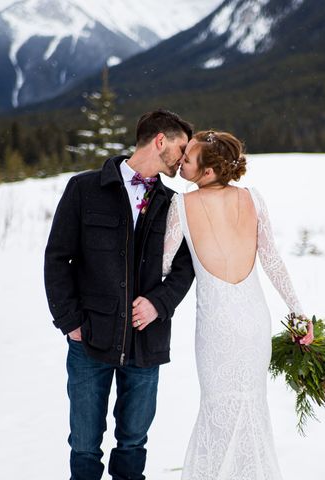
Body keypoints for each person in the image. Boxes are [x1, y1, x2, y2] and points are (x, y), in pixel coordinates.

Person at [44, 109, 195, 480]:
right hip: (89, 339)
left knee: (133, 443)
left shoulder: (175, 204)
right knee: (83, 445)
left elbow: (185, 267)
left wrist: (159, 303)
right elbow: (57, 259)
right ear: (160, 141)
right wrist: (70, 322)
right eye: (180, 148)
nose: (183, 158)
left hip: (147, 343)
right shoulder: (84, 189)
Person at [157, 130, 313, 480]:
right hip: (254, 323)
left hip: (217, 328)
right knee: (253, 409)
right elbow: (272, 260)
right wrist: (298, 311)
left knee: (216, 411)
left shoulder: (181, 205)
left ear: (208, 172)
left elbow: (164, 265)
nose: (181, 163)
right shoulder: (253, 199)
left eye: (188, 160)